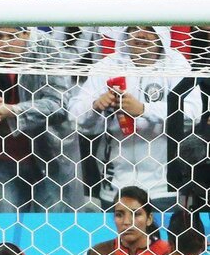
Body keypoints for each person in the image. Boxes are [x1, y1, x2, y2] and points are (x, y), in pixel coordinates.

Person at [0, 27, 83, 212]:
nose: (4, 44)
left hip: (52, 160)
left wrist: (15, 111)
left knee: (48, 233)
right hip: (3, 160)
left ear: (26, 33)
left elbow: (59, 104)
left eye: (11, 36)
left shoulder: (48, 49)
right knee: (6, 233)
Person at [70, 26, 201, 212]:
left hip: (163, 187)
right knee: (117, 240)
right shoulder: (108, 65)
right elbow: (75, 116)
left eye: (148, 29)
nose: (140, 34)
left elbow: (193, 113)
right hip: (114, 186)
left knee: (161, 241)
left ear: (161, 33)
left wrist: (144, 110)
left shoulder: (175, 64)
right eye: (134, 29)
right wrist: (96, 106)